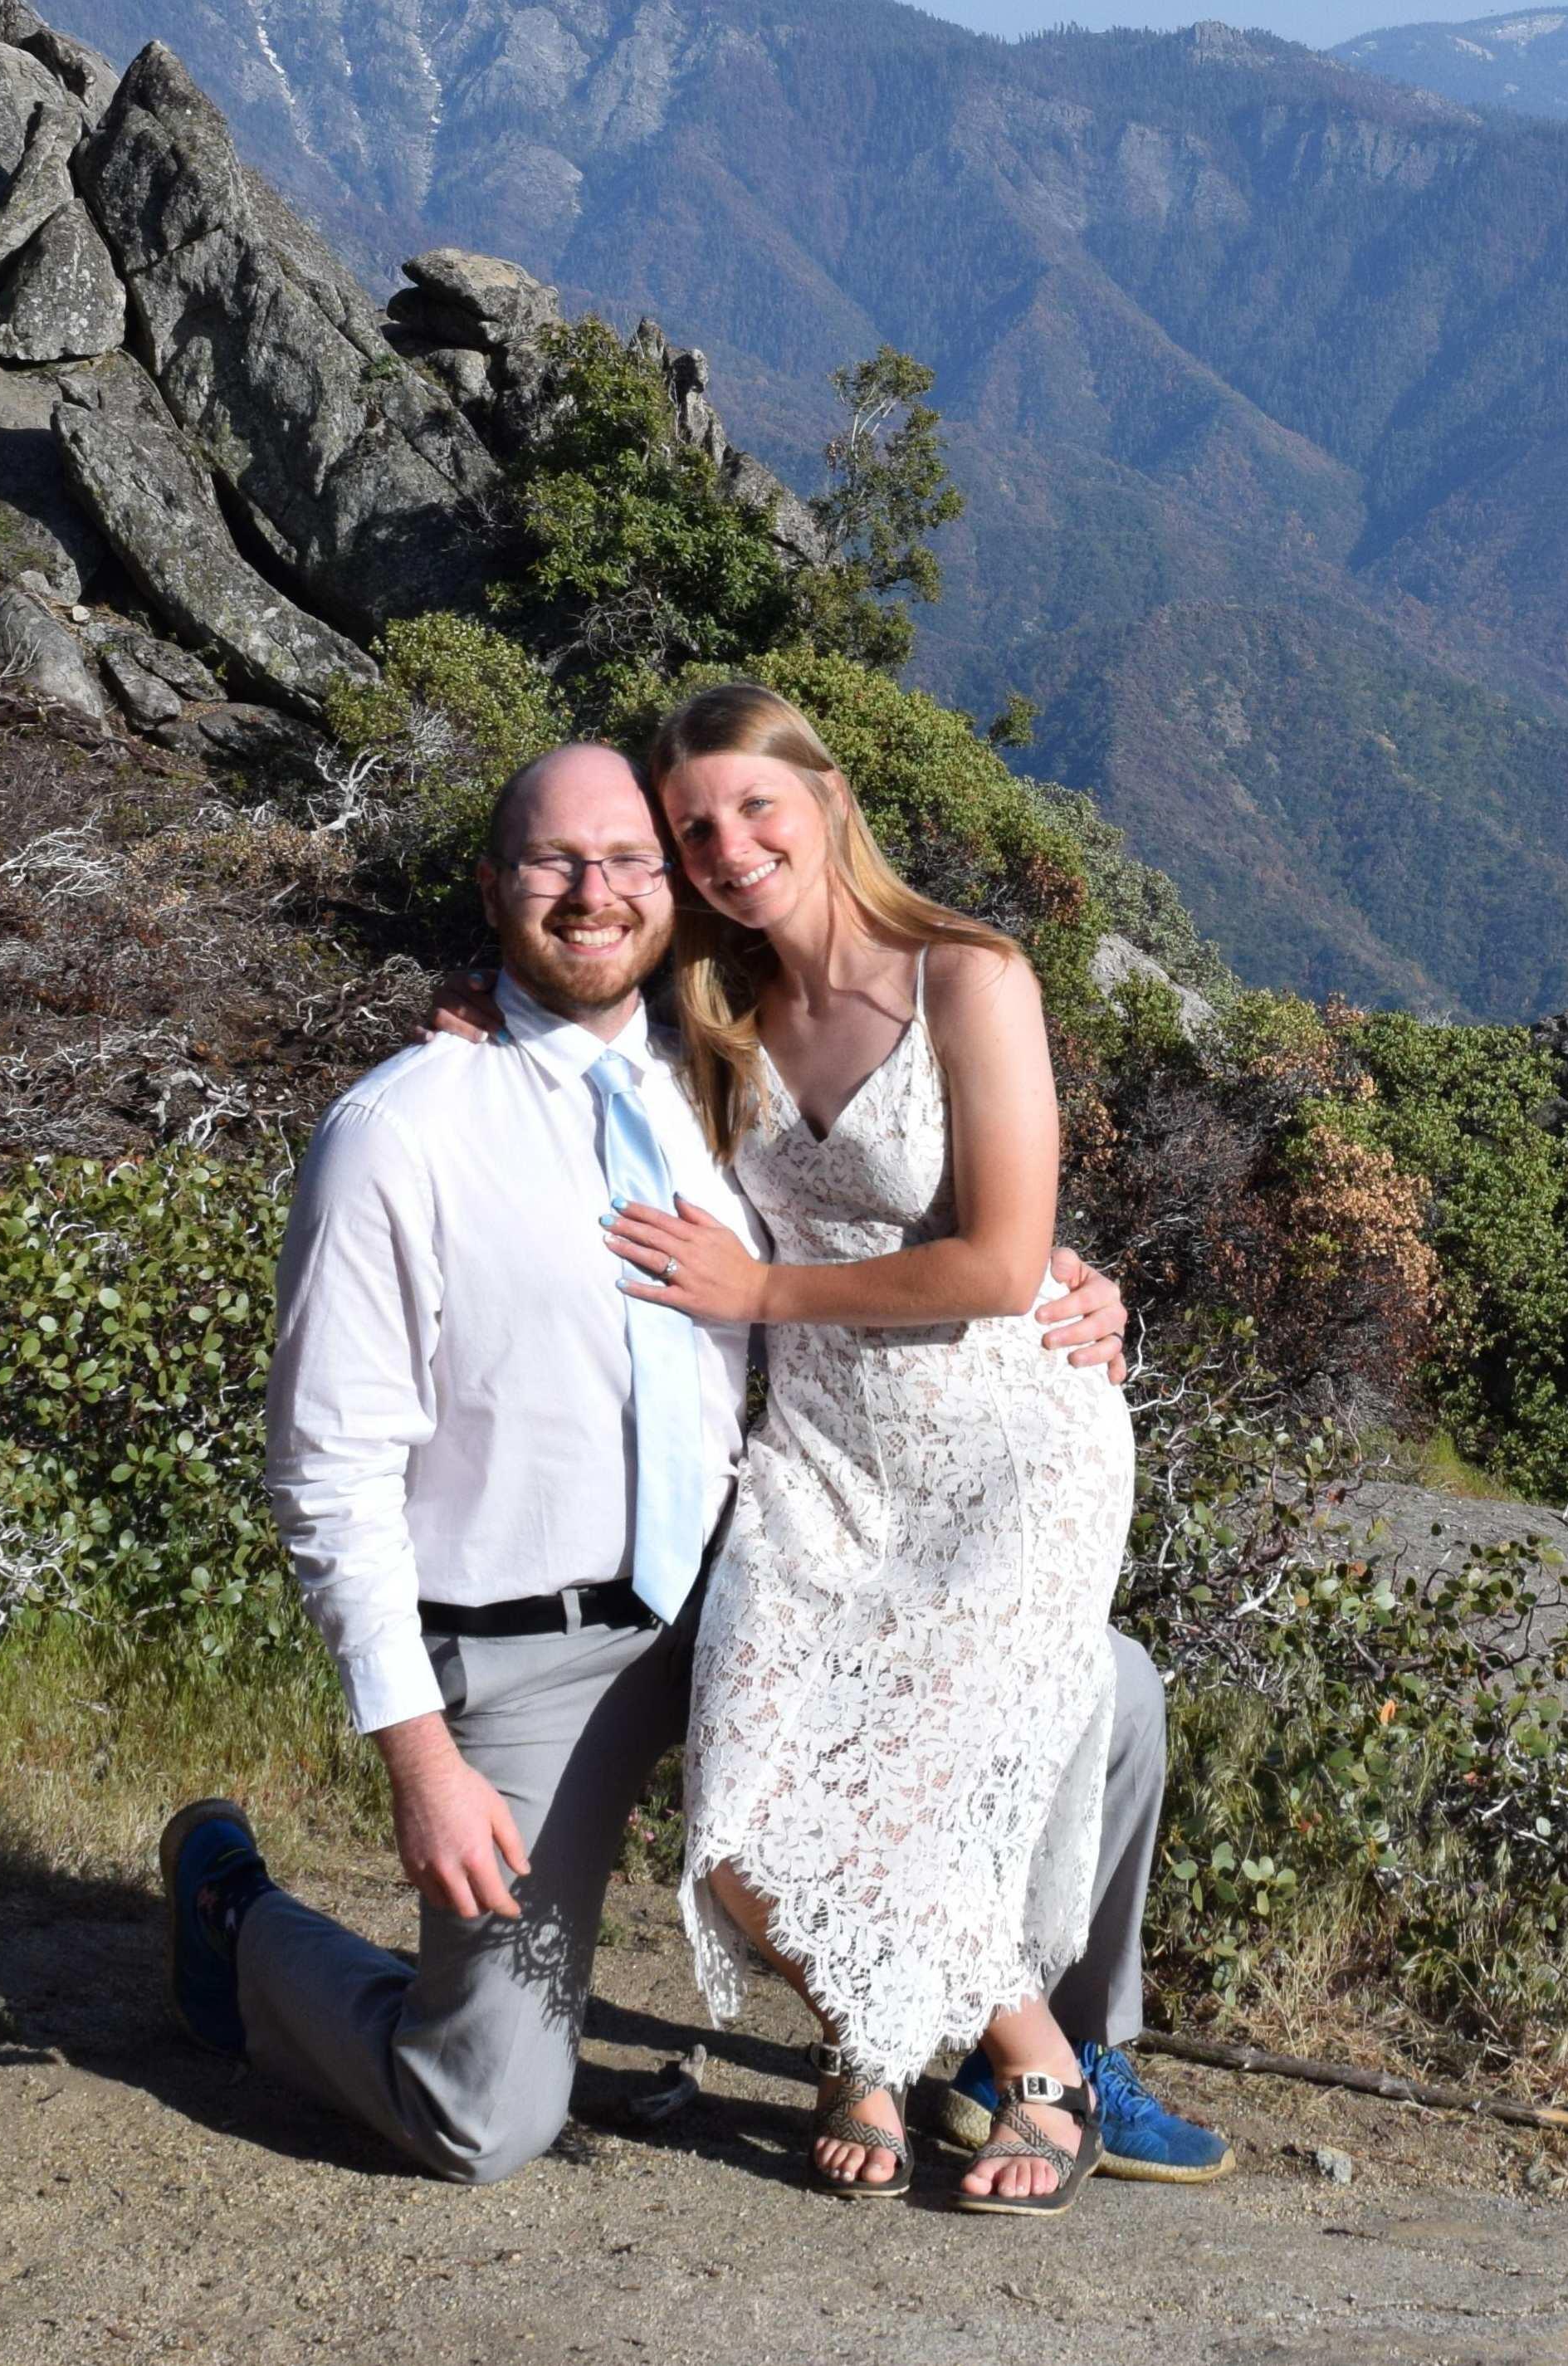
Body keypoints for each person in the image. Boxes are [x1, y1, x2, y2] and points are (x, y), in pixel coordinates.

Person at [159, 736, 1231, 2197]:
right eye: (555, 865)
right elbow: (327, 1472)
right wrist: (416, 1754)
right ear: (493, 889)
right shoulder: (406, 1128)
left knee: (1113, 1692)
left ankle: (1051, 2051)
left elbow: (860, 1206)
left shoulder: (701, 1060)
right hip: (545, 1651)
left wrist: (1056, 1268)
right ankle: (238, 1920)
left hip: (754, 1559)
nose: (596, 895)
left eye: (630, 865)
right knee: (480, 2114)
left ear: (673, 896)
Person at [611, 678, 1132, 2208]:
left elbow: (997, 1256)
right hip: (828, 1458)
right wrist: (463, 1015)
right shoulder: (711, 1011)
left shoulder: (970, 976)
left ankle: (872, 2047)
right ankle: (1022, 2045)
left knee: (905, 1783)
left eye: (753, 807)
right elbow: (555, 1008)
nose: (726, 847)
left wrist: (768, 1287)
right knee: (742, 1827)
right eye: (693, 828)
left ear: (828, 799)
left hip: (1010, 1450)